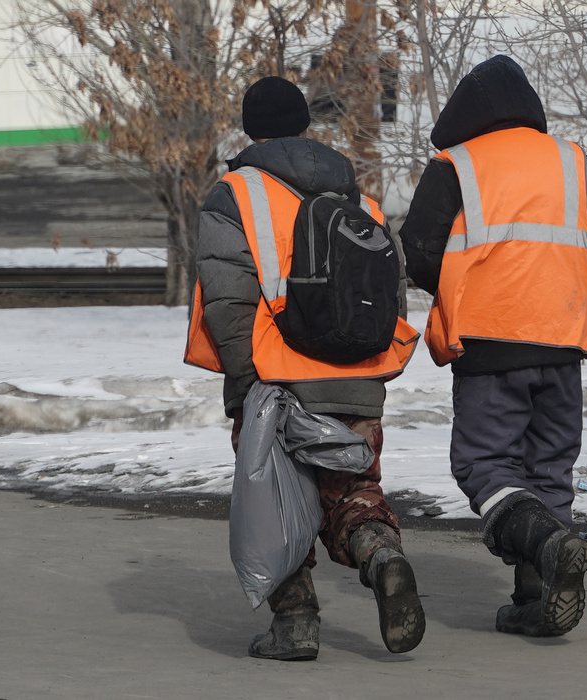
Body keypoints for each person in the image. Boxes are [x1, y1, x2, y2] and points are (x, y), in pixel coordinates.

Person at [185, 76, 426, 660]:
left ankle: (295, 625)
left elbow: (227, 299)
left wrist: (249, 384)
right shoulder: (356, 196)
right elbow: (389, 293)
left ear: (249, 130)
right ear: (304, 125)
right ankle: (381, 556)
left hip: (275, 380)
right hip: (356, 378)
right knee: (354, 491)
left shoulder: (235, 194)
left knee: (277, 505)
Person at [399, 56, 587, 638]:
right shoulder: (572, 160)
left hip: (489, 339)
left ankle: (548, 546)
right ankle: (537, 598)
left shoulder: (456, 165)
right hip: (564, 338)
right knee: (549, 468)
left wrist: (468, 287)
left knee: (484, 464)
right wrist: (554, 287)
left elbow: (419, 250)